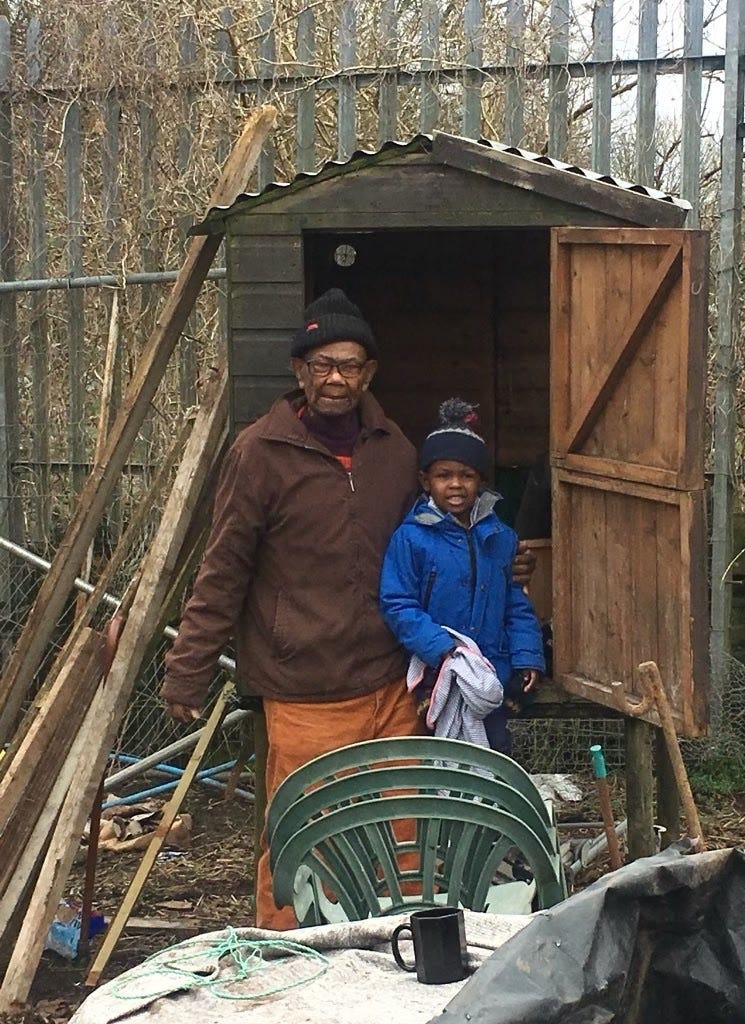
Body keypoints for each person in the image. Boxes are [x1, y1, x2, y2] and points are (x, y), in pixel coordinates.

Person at [161, 290, 535, 928]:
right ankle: (287, 961)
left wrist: (497, 561)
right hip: (306, 684)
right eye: (322, 363)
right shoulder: (260, 453)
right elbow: (223, 568)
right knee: (304, 833)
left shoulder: (393, 451)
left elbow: (434, 539)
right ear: (299, 372)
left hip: (394, 679)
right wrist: (187, 669)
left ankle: (398, 952)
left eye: (351, 364)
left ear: (369, 374)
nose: (336, 377)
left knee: (407, 829)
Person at [379, 399, 545, 755]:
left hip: (489, 672)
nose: (456, 485)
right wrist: (441, 648)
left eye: (467, 475)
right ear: (425, 480)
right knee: (436, 756)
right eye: (444, 475)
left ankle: (487, 811)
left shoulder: (499, 536)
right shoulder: (411, 538)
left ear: (481, 480)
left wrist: (527, 654)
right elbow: (398, 603)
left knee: (493, 754)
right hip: (435, 672)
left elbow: (515, 601)